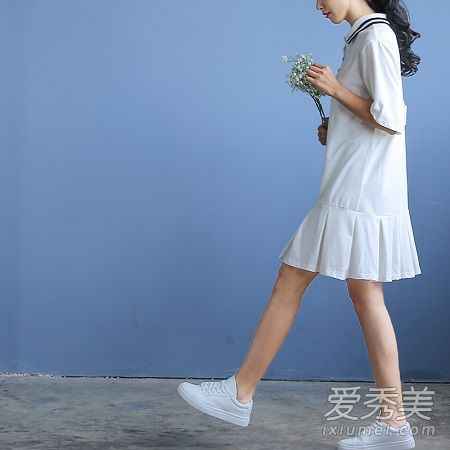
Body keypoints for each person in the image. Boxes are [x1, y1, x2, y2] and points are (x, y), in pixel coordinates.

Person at [177, 1, 422, 449]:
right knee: (364, 294)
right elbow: (371, 115)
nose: (318, 5)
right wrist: (338, 126)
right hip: (357, 185)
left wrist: (335, 89)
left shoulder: (375, 36)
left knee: (295, 280)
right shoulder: (362, 36)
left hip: (358, 191)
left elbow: (391, 118)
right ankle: (393, 424)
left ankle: (240, 393)